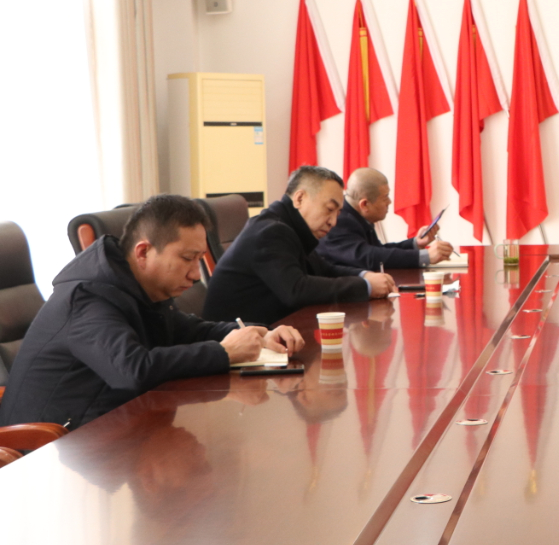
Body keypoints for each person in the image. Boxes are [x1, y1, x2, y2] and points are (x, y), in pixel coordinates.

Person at [0, 195, 302, 430]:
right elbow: (132, 370)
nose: (195, 274)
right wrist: (223, 353)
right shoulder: (89, 299)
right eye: (187, 258)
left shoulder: (136, 287)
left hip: (103, 431)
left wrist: (257, 334)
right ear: (143, 252)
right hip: (44, 450)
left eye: (198, 259)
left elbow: (189, 331)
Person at [204, 166, 397, 325]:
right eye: (329, 209)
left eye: (338, 213)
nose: (333, 222)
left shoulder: (291, 227)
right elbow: (297, 290)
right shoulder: (270, 232)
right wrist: (365, 287)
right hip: (234, 342)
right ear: (299, 198)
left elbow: (324, 269)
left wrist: (364, 275)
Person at [315, 167, 454, 271]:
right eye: (385, 197)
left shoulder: (356, 215)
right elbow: (368, 257)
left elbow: (377, 250)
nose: (390, 202)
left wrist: (415, 243)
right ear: (364, 204)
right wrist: (425, 256)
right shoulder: (340, 220)